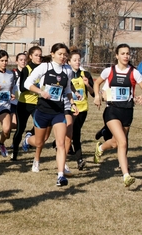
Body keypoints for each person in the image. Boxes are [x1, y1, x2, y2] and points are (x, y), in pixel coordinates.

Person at [24, 43, 78, 186]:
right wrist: (41, 92)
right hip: (42, 110)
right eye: (60, 54)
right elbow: (27, 83)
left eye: (65, 55)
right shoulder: (45, 67)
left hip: (58, 112)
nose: (63, 57)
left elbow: (67, 89)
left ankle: (60, 176)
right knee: (39, 142)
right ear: (53, 54)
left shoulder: (68, 70)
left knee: (60, 143)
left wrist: (72, 103)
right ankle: (28, 140)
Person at [93, 43, 142, 187]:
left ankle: (100, 148)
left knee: (115, 143)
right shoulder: (109, 71)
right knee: (123, 142)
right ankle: (126, 175)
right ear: (117, 56)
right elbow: (97, 83)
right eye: (123, 53)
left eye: (128, 53)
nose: (126, 56)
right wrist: (97, 95)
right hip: (112, 110)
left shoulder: (134, 72)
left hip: (127, 111)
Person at [11, 46, 42, 161]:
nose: (39, 57)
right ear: (30, 56)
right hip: (24, 104)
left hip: (38, 104)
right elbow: (23, 88)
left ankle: (29, 138)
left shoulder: (43, 68)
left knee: (40, 127)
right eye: (36, 55)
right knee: (19, 129)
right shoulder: (26, 69)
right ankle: (14, 153)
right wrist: (35, 87)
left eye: (40, 55)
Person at [67, 49, 94, 170]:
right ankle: (80, 159)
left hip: (82, 109)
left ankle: (57, 144)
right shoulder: (66, 74)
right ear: (69, 62)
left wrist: (88, 85)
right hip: (69, 108)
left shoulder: (86, 74)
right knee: (75, 133)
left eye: (79, 60)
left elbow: (93, 93)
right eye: (74, 60)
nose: (77, 62)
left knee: (73, 133)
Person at [10, 53, 27, 138]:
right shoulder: (13, 73)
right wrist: (10, 93)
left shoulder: (29, 73)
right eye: (21, 60)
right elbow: (8, 86)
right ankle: (6, 129)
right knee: (14, 124)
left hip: (24, 102)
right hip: (13, 102)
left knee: (20, 126)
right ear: (17, 61)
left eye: (25, 60)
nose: (23, 62)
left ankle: (15, 142)